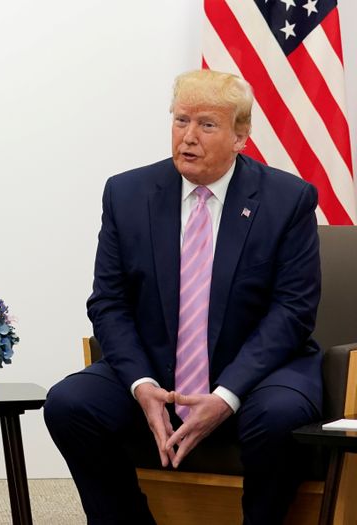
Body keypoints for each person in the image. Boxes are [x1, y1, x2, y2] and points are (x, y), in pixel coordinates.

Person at [44, 70, 321, 525]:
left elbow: (293, 311)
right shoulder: (127, 193)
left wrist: (227, 394)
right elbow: (108, 302)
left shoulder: (287, 200)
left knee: (281, 414)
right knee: (70, 404)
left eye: (207, 125)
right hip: (157, 368)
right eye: (180, 120)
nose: (188, 137)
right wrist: (142, 385)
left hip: (256, 376)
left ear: (240, 136)